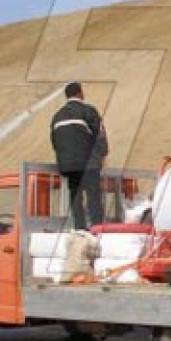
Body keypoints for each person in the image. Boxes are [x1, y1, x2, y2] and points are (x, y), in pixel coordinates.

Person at [50, 82, 108, 230]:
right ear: (80, 94)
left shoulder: (57, 116)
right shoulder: (88, 111)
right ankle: (97, 229)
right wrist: (102, 154)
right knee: (93, 198)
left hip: (68, 166)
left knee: (76, 199)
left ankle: (80, 230)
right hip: (88, 164)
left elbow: (55, 142)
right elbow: (100, 137)